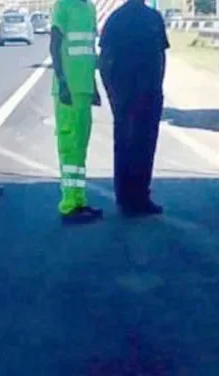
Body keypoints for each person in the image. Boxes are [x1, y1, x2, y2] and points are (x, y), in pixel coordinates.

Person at [99, 0, 168, 215]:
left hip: (142, 92)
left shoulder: (146, 18)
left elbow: (161, 55)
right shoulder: (124, 19)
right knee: (138, 144)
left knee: (133, 144)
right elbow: (106, 58)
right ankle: (131, 196)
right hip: (131, 93)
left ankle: (135, 196)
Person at [50, 0, 103, 224]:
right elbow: (55, 45)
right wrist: (62, 81)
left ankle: (80, 200)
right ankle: (69, 204)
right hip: (69, 90)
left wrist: (94, 86)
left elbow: (89, 50)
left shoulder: (90, 8)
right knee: (70, 147)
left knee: (80, 148)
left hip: (84, 88)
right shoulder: (63, 6)